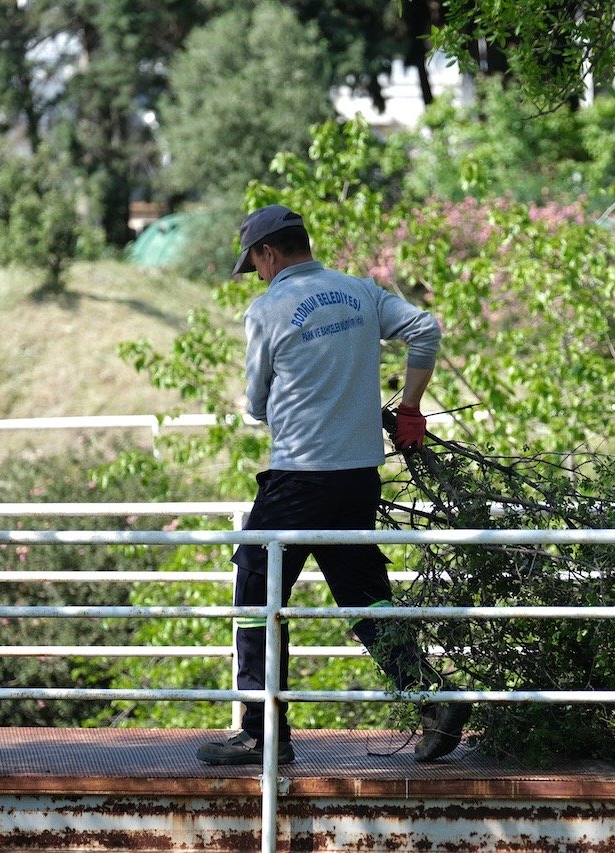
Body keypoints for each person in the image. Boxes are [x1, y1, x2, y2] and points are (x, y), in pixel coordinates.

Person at [197, 204, 470, 766]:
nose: (259, 274)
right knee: (364, 597)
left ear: (268, 253)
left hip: (298, 476)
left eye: (256, 263)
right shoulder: (362, 292)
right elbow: (426, 329)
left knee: (255, 591)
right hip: (356, 479)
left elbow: (254, 405)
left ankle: (261, 731)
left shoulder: (268, 308)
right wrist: (410, 407)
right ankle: (431, 700)